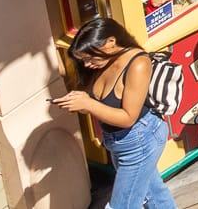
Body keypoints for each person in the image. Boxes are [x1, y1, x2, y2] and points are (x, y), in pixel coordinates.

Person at [52, 17, 178, 209]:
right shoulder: (102, 63)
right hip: (117, 142)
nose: (87, 64)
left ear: (111, 42)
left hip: (139, 140)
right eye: (83, 60)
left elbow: (128, 118)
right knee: (154, 193)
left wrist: (88, 104)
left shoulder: (137, 64)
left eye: (89, 57)